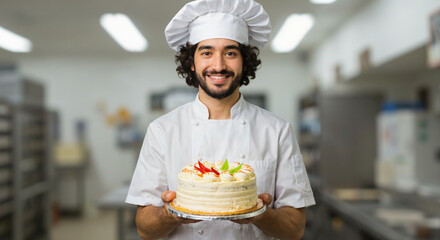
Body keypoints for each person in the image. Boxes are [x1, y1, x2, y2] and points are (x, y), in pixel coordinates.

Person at [125, 0, 315, 239]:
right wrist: (171, 213)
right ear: (191, 62)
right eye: (206, 52)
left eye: (230, 53)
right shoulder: (162, 130)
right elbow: (144, 228)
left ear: (244, 62)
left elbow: (296, 229)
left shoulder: (277, 131)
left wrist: (261, 214)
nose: (218, 65)